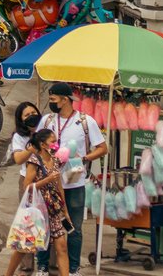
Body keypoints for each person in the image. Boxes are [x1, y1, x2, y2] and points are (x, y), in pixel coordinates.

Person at [34, 81, 106, 276]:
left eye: (53, 99)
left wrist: (82, 158)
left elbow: (102, 148)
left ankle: (74, 269)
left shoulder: (85, 121)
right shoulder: (48, 120)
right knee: (47, 225)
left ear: (65, 100)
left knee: (73, 227)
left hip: (75, 182)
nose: (51, 102)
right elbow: (35, 144)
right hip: (50, 183)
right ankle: (42, 267)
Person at [4, 128, 73, 276]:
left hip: (54, 210)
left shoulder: (55, 160)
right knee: (24, 247)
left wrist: (64, 210)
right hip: (37, 211)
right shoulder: (34, 160)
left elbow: (59, 187)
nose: (56, 145)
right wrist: (47, 180)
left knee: (62, 247)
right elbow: (27, 186)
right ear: (43, 144)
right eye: (53, 142)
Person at [9, 100, 43, 191]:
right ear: (21, 120)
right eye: (27, 115)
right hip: (28, 178)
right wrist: (31, 148)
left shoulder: (46, 129)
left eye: (33, 113)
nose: (31, 116)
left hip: (47, 177)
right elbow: (18, 159)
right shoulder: (19, 136)